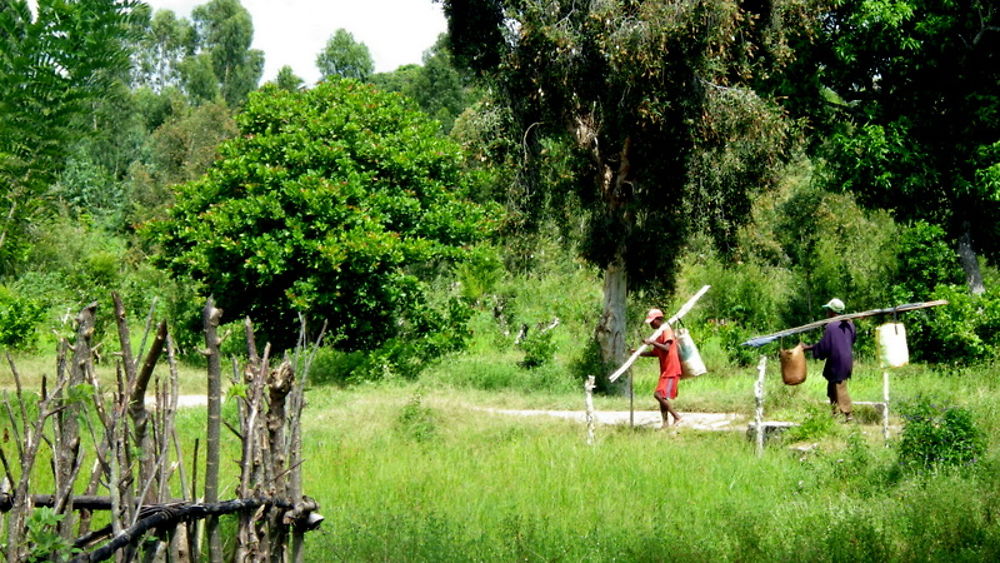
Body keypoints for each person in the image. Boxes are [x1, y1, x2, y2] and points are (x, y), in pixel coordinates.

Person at [802, 298, 856, 422]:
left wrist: (808, 348)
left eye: (828, 310)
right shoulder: (850, 324)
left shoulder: (831, 326)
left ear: (832, 312)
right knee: (832, 386)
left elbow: (825, 346)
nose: (827, 313)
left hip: (838, 361)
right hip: (845, 359)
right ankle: (835, 413)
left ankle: (848, 414)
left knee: (839, 386)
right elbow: (852, 339)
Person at [639, 308, 683, 428]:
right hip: (665, 370)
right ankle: (665, 423)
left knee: (658, 395)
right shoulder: (658, 334)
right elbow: (655, 353)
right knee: (661, 396)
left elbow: (667, 348)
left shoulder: (666, 330)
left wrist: (652, 342)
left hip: (672, 369)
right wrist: (638, 353)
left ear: (659, 320)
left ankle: (677, 417)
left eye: (653, 322)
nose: (651, 324)